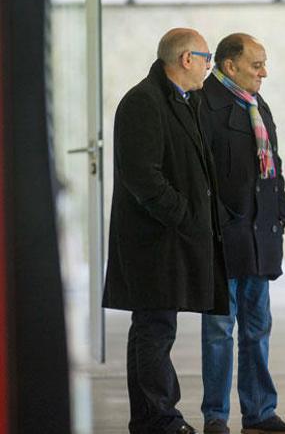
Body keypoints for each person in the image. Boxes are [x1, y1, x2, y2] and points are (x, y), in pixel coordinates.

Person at [102, 28, 229, 434]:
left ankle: (148, 419)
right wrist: (184, 214)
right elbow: (143, 178)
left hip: (169, 238)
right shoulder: (144, 102)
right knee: (154, 328)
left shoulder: (181, 100)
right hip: (151, 241)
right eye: (206, 56)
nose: (210, 65)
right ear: (186, 59)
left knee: (154, 327)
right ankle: (160, 419)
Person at [198, 34, 285, 434]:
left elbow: (272, 162)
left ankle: (258, 414)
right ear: (229, 66)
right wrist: (219, 221)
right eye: (256, 65)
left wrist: (281, 208)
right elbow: (200, 176)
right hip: (224, 238)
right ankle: (216, 417)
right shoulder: (204, 106)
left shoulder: (257, 104)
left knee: (257, 328)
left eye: (264, 63)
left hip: (259, 237)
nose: (264, 72)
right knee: (220, 330)